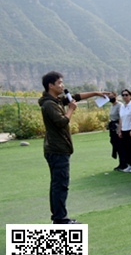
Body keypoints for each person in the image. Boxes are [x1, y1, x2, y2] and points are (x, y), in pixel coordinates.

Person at [38, 71, 107, 224]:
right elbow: (62, 122)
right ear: (51, 86)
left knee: (58, 184)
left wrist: (95, 93)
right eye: (59, 83)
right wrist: (71, 109)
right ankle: (60, 219)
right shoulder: (49, 104)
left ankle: (58, 217)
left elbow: (75, 97)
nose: (62, 86)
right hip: (57, 149)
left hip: (58, 149)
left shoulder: (55, 101)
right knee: (60, 185)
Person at [118, 89, 131, 173]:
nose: (125, 96)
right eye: (123, 95)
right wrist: (120, 130)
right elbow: (121, 119)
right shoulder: (122, 106)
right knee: (126, 148)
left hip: (130, 129)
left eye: (126, 95)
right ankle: (129, 164)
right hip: (124, 129)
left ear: (130, 96)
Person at [107, 91, 126, 171]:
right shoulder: (112, 106)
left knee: (121, 145)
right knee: (115, 145)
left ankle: (124, 163)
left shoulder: (119, 105)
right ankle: (120, 163)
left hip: (118, 126)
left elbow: (120, 117)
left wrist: (119, 129)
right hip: (113, 127)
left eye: (112, 96)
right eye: (109, 97)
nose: (110, 98)